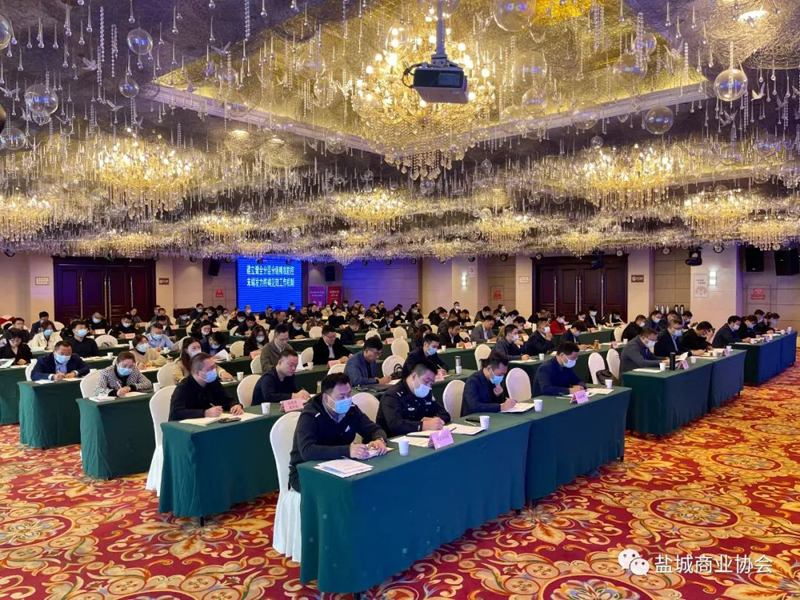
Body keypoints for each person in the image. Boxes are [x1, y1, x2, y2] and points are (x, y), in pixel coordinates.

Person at [288, 373, 388, 492]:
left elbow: (374, 429)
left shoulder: (351, 409)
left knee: (372, 482)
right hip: (307, 471)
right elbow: (307, 451)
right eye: (341, 397)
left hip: (342, 466)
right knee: (342, 491)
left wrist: (379, 440)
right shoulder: (310, 415)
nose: (347, 400)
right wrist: (347, 450)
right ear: (326, 398)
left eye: (349, 394)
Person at [377, 359, 451, 437]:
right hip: (394, 440)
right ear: (414, 376)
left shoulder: (426, 392)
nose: (428, 386)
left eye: (431, 384)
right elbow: (395, 425)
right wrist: (423, 425)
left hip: (420, 437)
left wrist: (436, 421)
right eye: (426, 381)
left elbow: (444, 414)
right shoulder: (392, 395)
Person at [168, 353, 243, 421]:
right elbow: (175, 413)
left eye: (214, 367)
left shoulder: (213, 382)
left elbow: (227, 400)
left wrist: (235, 405)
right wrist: (204, 413)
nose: (214, 371)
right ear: (198, 373)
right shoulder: (183, 387)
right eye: (209, 369)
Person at [462, 351, 516, 416]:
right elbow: (475, 406)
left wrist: (497, 396)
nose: (502, 377)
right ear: (489, 369)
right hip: (473, 418)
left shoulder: (493, 380)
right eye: (500, 374)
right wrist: (500, 407)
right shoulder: (472, 382)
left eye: (504, 374)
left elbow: (493, 404)